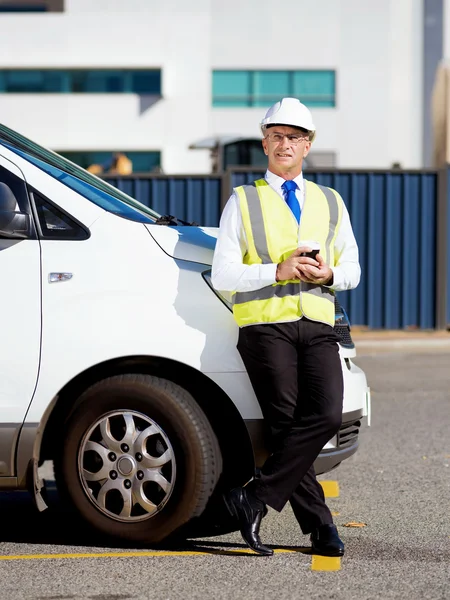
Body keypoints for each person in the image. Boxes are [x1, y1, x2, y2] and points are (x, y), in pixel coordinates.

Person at [211, 97, 360, 557]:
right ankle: (321, 528)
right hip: (266, 325)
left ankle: (254, 498)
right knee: (284, 426)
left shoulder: (330, 202)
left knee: (326, 416)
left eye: (294, 137)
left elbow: (353, 269)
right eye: (276, 135)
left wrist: (328, 275)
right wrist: (276, 271)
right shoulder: (243, 200)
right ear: (264, 142)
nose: (284, 144)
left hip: (317, 321)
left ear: (308, 145)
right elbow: (223, 274)